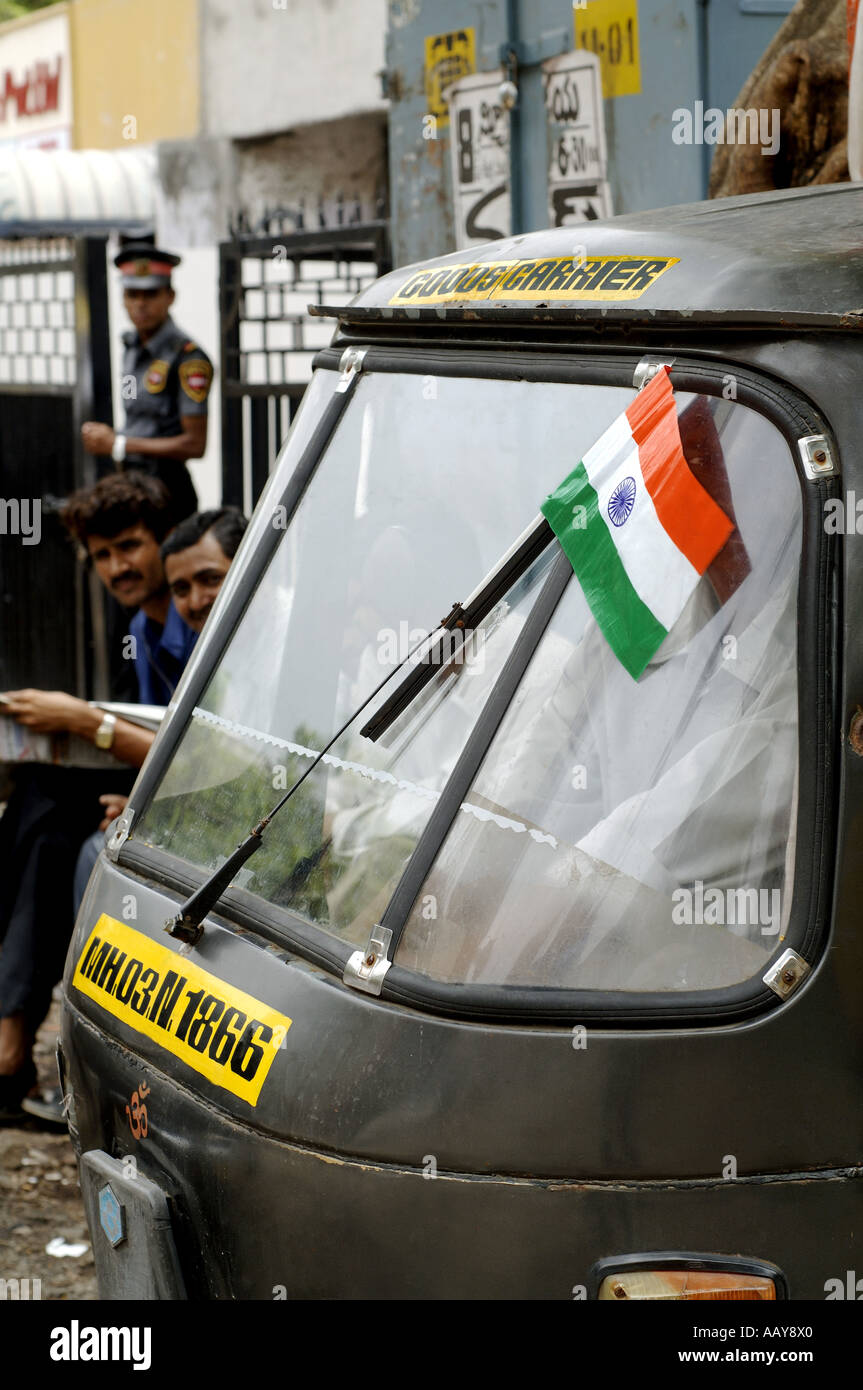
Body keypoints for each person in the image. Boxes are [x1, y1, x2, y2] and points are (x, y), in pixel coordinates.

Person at [0, 474, 195, 1122]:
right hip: (151, 794)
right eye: (102, 555)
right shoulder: (141, 625)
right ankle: (14, 1043)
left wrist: (85, 721)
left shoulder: (198, 619)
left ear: (166, 541)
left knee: (51, 821)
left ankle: (12, 1046)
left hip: (206, 802)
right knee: (38, 811)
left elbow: (207, 757)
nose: (118, 567)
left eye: (130, 547)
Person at [80, 243, 214, 522]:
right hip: (132, 483)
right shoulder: (131, 347)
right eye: (132, 294)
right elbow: (137, 419)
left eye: (150, 294)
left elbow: (195, 445)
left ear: (170, 296)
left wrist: (119, 443)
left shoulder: (188, 359)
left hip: (166, 489)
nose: (140, 304)